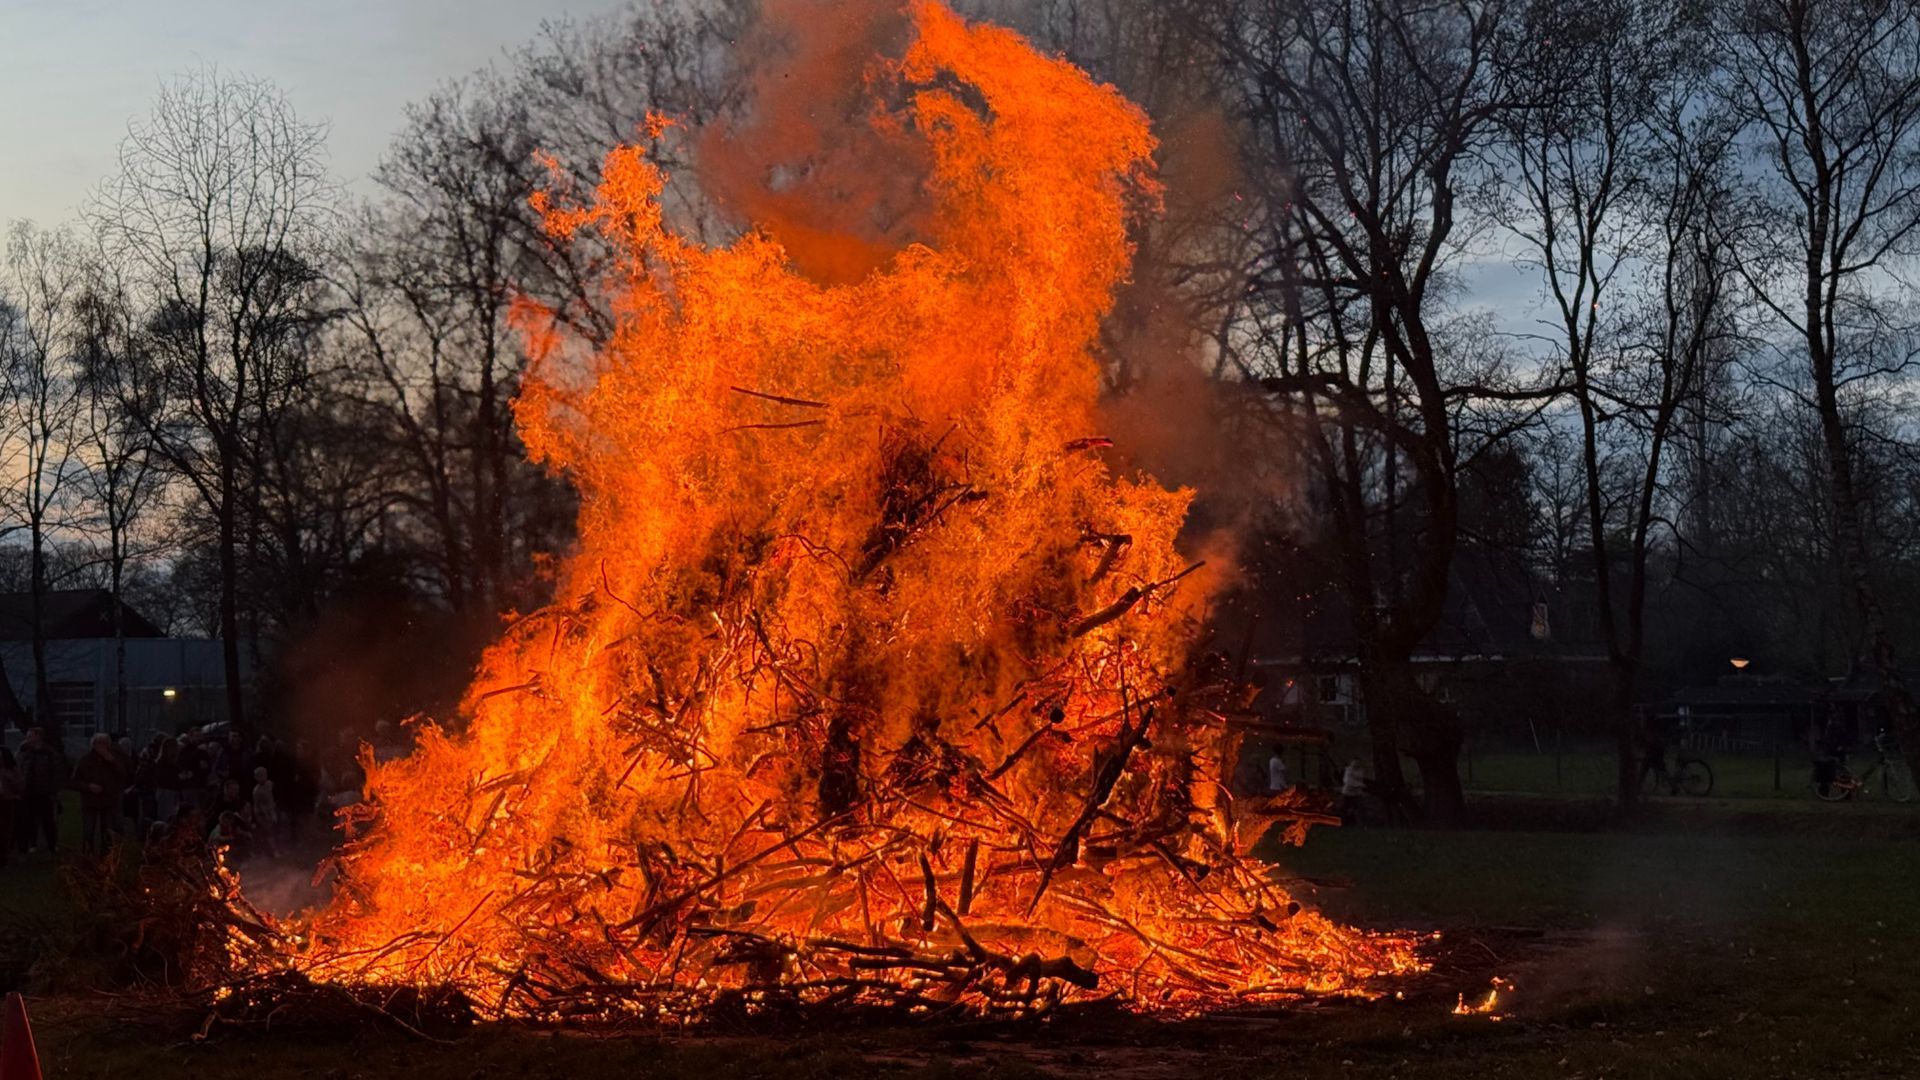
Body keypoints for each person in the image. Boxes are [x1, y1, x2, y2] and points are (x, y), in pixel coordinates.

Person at [72, 732, 131, 856]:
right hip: (90, 801)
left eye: (104, 744)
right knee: (89, 830)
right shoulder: (85, 760)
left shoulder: (114, 759)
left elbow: (124, 775)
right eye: (99, 743)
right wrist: (88, 786)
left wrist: (112, 762)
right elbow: (74, 781)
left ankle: (106, 855)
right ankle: (88, 854)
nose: (101, 747)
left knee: (107, 831)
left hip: (108, 801)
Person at [16, 726, 66, 855]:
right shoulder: (25, 752)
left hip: (44, 792)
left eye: (30, 736)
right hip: (27, 791)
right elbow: (19, 767)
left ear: (38, 737)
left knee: (47, 820)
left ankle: (52, 844)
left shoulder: (49, 753)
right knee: (28, 819)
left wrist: (52, 789)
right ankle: (32, 843)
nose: (28, 739)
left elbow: (57, 772)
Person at [250, 765, 279, 858]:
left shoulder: (270, 784)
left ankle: (278, 848)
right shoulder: (256, 791)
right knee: (268, 833)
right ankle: (272, 851)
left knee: (276, 831)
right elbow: (257, 805)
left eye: (264, 775)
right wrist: (260, 816)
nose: (262, 777)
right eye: (259, 775)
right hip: (264, 814)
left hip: (273, 810)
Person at [0, 748, 20, 868]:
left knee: (5, 830)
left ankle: (4, 857)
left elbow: (20, 785)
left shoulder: (11, 771)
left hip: (7, 802)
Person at [1339, 758, 1367, 825]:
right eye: (1354, 762)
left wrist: (1361, 789)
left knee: (1360, 809)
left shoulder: (1360, 771)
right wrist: (1360, 785)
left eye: (1358, 763)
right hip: (1347, 793)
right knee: (1344, 809)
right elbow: (1348, 782)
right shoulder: (1348, 770)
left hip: (1357, 794)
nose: (1356, 764)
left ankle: (1360, 823)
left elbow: (1360, 780)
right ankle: (1343, 823)